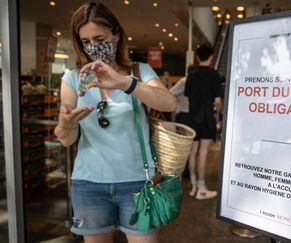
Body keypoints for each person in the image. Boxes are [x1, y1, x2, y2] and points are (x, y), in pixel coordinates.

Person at [54, 2, 176, 243]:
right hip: (89, 183)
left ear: (116, 36)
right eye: (86, 41)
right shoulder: (72, 79)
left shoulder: (139, 71)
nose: (93, 47)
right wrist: (67, 124)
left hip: (138, 181)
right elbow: (66, 139)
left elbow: (169, 103)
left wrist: (123, 83)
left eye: (100, 38)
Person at [184, 45, 223, 200]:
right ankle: (201, 189)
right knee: (203, 153)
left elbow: (188, 96)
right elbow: (218, 102)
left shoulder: (191, 75)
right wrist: (218, 114)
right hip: (207, 119)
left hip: (192, 118)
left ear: (198, 58)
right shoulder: (214, 75)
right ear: (211, 58)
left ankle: (193, 186)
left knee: (192, 152)